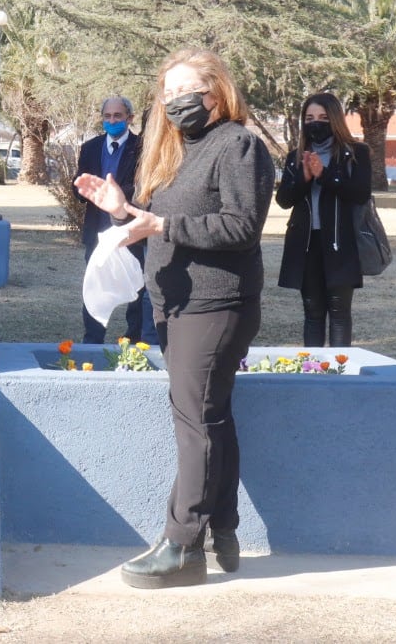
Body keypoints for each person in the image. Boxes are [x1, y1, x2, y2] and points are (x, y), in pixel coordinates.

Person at [74, 49, 273, 589]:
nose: (172, 101)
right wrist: (121, 209)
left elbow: (240, 227)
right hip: (175, 304)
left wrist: (162, 225)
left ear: (215, 92)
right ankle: (222, 528)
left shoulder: (239, 145)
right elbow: (158, 220)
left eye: (184, 91)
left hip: (216, 304)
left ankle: (182, 545)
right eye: (166, 93)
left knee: (194, 423)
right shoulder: (178, 148)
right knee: (210, 416)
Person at [275, 93, 371, 347]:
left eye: (322, 117)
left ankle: (341, 373)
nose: (315, 123)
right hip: (306, 244)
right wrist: (304, 178)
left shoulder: (356, 152)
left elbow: (360, 194)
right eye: (309, 118)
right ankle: (313, 372)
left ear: (335, 119)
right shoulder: (296, 156)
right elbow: (284, 200)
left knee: (339, 313)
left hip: (341, 242)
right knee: (313, 313)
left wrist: (325, 175)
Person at [74, 96, 157, 344]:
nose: (112, 121)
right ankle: (93, 340)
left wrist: (118, 198)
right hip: (97, 230)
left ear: (129, 119)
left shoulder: (143, 147)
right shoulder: (90, 147)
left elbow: (145, 188)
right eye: (107, 116)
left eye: (117, 116)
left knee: (137, 287)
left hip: (131, 228)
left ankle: (134, 339)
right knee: (94, 286)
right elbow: (79, 182)